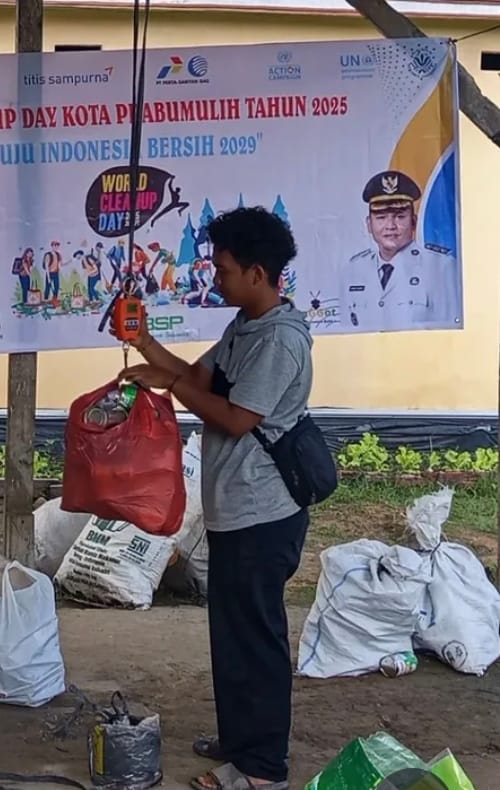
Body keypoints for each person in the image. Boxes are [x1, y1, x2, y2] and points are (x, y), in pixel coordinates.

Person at [117, 206, 310, 790]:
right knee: (230, 634)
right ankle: (240, 738)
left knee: (256, 638)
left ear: (257, 272)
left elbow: (235, 415)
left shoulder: (279, 340)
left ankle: (262, 770)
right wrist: (143, 341)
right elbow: (198, 381)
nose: (215, 277)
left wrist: (169, 385)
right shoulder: (244, 328)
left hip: (265, 513)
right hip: (236, 510)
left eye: (223, 269)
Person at [344, 169, 456, 331]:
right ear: (369, 224)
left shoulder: (441, 268)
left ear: (414, 221)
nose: (390, 226)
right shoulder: (353, 271)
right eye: (381, 217)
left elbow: (451, 335)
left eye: (399, 216)